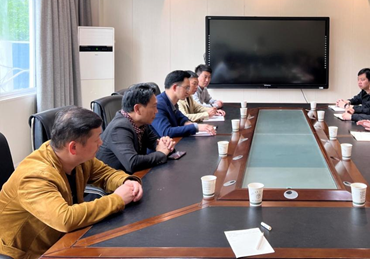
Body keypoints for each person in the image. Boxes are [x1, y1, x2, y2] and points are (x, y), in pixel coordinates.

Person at [0, 107, 143, 259]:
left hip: (62, 239)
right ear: (73, 147)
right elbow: (65, 219)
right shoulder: (34, 176)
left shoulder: (74, 157)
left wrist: (127, 181)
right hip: (27, 253)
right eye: (96, 139)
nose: (101, 143)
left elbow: (106, 174)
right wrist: (118, 199)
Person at [96, 83, 176, 173]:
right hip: (114, 180)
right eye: (154, 106)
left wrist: (166, 144)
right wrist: (161, 154)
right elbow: (132, 163)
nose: (156, 111)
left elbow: (154, 142)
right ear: (137, 109)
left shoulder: (141, 122)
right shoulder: (119, 128)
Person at [152, 70, 216, 138]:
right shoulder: (158, 104)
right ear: (175, 87)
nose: (188, 91)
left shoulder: (172, 102)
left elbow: (181, 117)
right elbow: (166, 132)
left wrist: (187, 123)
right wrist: (196, 127)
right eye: (187, 88)